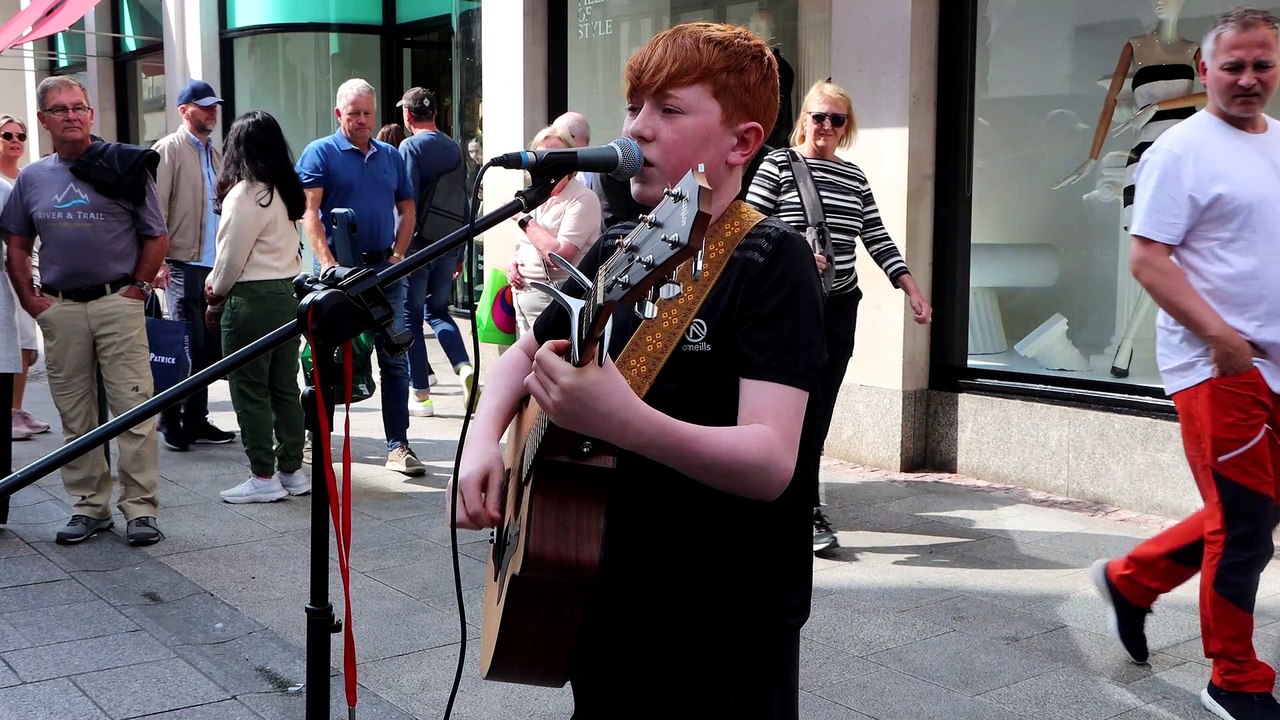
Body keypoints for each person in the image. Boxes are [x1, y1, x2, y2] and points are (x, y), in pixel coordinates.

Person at [453, 22, 824, 717]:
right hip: (603, 590)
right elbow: (523, 355)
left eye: (669, 109)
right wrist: (482, 444)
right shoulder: (622, 245)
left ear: (742, 142)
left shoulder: (773, 261)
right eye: (633, 107)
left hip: (720, 617)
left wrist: (622, 421)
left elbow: (771, 459)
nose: (638, 128)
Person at [1089, 9, 1280, 720]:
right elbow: (1148, 260)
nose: (1248, 78)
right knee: (1246, 526)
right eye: (1233, 66)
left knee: (1254, 511)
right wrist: (1221, 338)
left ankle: (1132, 581)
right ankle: (1234, 678)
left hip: (1272, 363)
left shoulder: (1278, 142)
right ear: (1205, 70)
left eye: (1262, 64)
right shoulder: (1180, 149)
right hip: (1218, 367)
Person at [746, 80, 932, 554]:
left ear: (847, 127)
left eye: (837, 119)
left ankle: (804, 503)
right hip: (789, 308)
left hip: (838, 307)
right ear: (804, 119)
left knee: (820, 408)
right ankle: (798, 505)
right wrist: (794, 251)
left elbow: (877, 236)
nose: (826, 126)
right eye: (819, 117)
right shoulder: (778, 165)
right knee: (794, 408)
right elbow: (747, 227)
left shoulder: (854, 177)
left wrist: (911, 289)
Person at [1, 76, 167, 546]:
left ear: (91, 114)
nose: (71, 115)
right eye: (59, 109)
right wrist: (30, 299)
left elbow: (156, 235)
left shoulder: (124, 166)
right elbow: (17, 245)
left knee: (134, 408)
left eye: (78, 107)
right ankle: (90, 506)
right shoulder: (33, 179)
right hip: (61, 307)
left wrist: (137, 288)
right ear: (43, 120)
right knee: (75, 413)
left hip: (118, 303)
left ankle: (140, 509)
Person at [296, 78, 423, 476]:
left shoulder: (391, 156)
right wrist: (327, 262)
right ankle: (318, 438)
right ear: (339, 114)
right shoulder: (320, 152)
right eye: (354, 113)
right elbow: (309, 212)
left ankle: (398, 445)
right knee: (326, 359)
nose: (362, 120)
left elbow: (407, 208)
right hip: (337, 276)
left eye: (368, 113)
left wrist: (399, 254)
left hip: (385, 272)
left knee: (395, 359)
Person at [203, 111, 309, 504]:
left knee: (250, 390)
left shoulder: (245, 194)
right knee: (284, 388)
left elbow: (230, 260)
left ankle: (263, 476)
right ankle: (292, 470)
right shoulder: (285, 190)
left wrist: (214, 296)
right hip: (287, 294)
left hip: (251, 298)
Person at [152, 80, 236, 451]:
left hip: (211, 265)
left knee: (205, 348)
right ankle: (169, 418)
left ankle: (196, 418)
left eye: (213, 105)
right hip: (181, 262)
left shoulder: (215, 154)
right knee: (184, 345)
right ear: (184, 110)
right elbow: (154, 207)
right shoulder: (169, 149)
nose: (211, 111)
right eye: (204, 106)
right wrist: (157, 261)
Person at [396, 87, 476, 418]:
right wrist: (459, 253)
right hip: (448, 243)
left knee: (412, 317)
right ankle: (464, 367)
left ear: (407, 115)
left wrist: (400, 251)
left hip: (418, 246)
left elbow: (407, 201)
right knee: (439, 310)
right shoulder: (453, 147)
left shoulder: (410, 147)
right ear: (435, 114)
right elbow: (464, 199)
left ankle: (422, 396)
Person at [505, 126, 603, 336]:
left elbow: (559, 256)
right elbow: (526, 243)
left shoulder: (583, 198)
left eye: (555, 156)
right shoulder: (538, 195)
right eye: (541, 156)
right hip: (522, 295)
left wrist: (523, 219)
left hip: (555, 298)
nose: (547, 163)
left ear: (569, 163)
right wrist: (513, 262)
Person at [0, 114, 50, 440]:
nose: (15, 141)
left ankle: (16, 408)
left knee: (27, 343)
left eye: (21, 135)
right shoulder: (3, 186)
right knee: (13, 342)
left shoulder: (26, 178)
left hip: (28, 266)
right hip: (7, 272)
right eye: (7, 135)